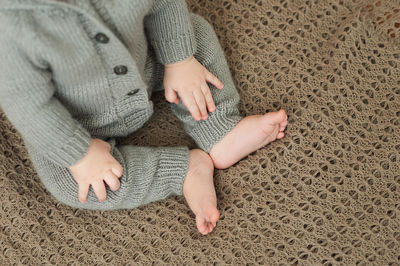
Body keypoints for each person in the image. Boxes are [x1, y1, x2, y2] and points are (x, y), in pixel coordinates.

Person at [0, 0, 287, 235]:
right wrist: (80, 154)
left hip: (147, 64)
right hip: (76, 121)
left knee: (194, 33)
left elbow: (164, 5)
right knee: (69, 181)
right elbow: (30, 107)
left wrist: (179, 60)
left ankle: (220, 130)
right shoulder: (12, 25)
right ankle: (184, 170)